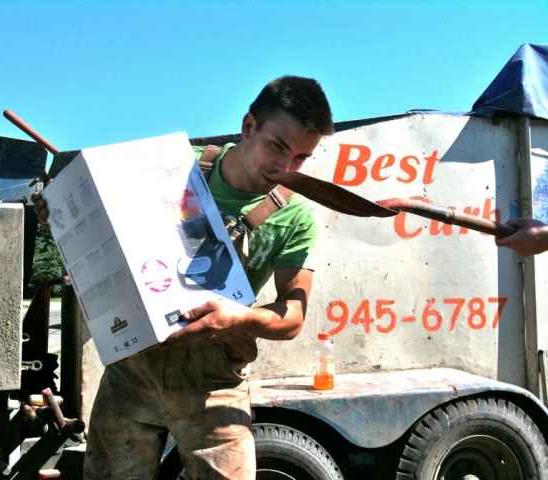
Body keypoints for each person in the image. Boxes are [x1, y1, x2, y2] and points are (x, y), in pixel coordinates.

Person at [32, 75, 334, 480]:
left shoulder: (296, 216)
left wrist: (239, 316)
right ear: (249, 127)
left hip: (214, 387)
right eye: (277, 146)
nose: (285, 167)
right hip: (131, 375)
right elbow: (106, 230)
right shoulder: (173, 167)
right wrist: (61, 213)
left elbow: (292, 315)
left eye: (301, 158)